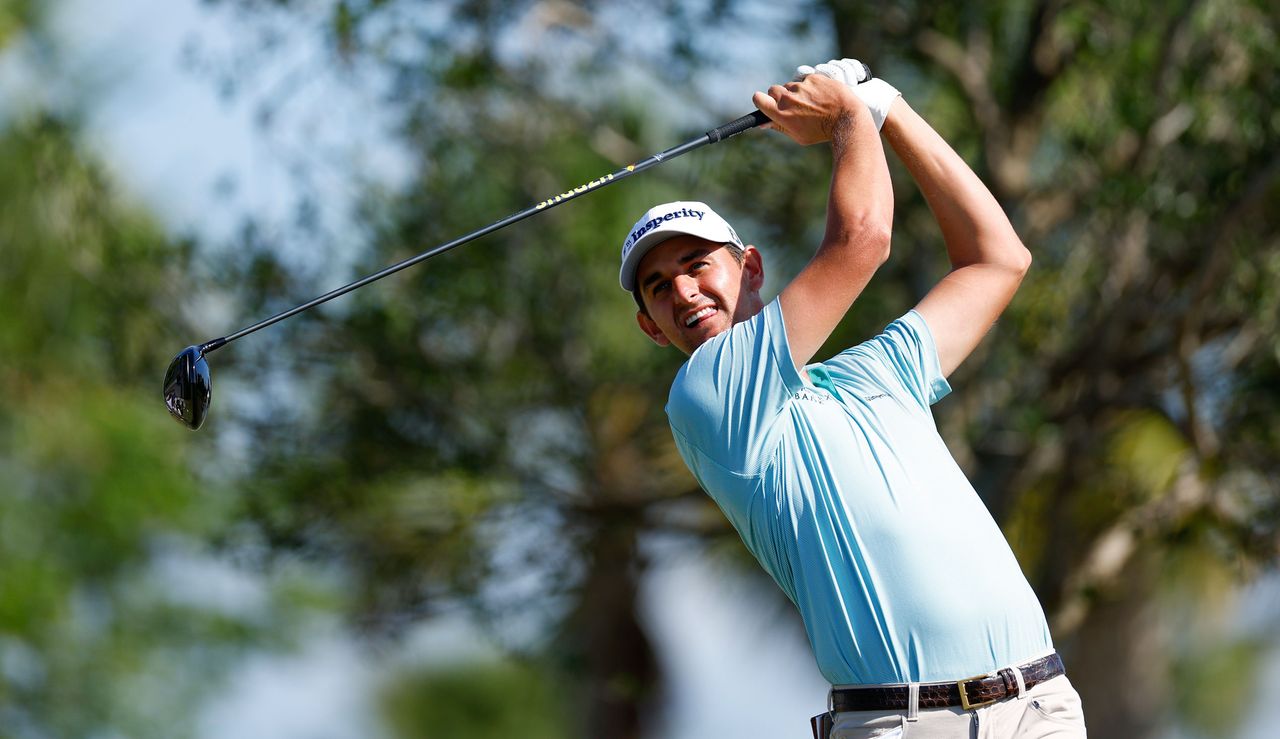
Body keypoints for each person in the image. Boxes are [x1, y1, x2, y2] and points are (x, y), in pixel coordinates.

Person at [617, 60, 1087, 738]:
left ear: (749, 268)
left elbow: (998, 259)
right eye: (659, 287)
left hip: (1038, 703)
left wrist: (889, 108)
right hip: (898, 723)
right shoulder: (706, 395)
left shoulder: (873, 375)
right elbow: (863, 239)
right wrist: (846, 119)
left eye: (697, 265)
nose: (683, 291)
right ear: (650, 326)